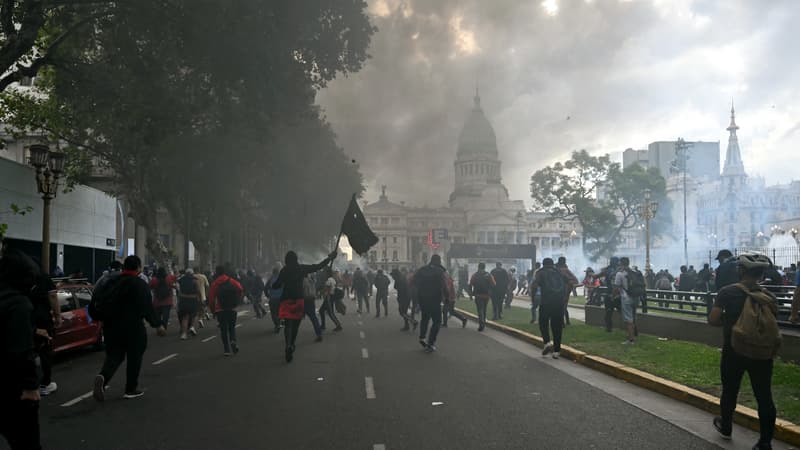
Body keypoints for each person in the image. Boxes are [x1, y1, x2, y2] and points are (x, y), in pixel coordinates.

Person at [708, 253, 778, 450]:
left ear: (740, 271)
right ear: (762, 274)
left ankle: (727, 426)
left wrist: (730, 323)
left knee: (730, 390)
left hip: (734, 351)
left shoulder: (727, 292)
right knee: (764, 396)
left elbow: (712, 320)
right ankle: (765, 442)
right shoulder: (769, 297)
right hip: (762, 354)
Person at [91, 255, 166, 401]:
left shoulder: (110, 282)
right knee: (134, 357)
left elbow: (96, 301)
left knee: (114, 355)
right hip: (133, 327)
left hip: (111, 327)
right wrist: (157, 325)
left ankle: (103, 377)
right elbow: (147, 308)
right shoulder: (139, 284)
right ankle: (130, 389)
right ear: (138, 268)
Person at [0, 248, 43, 449]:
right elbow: (21, 350)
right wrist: (30, 386)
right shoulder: (18, 304)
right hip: (11, 386)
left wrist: (32, 331)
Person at [270, 251, 336, 362]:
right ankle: (292, 344)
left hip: (286, 300)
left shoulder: (284, 270)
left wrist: (274, 285)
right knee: (295, 325)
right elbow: (317, 266)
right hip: (298, 300)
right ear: (296, 259)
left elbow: (277, 284)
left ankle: (287, 345)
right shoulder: (301, 268)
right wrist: (329, 258)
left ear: (286, 259)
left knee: (287, 325)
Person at [529, 258, 568, 359]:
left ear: (543, 264)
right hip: (559, 303)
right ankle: (557, 351)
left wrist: (533, 299)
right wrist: (565, 297)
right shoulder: (559, 272)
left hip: (546, 302)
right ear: (552, 264)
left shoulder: (540, 272)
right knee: (557, 327)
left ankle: (547, 342)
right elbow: (569, 283)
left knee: (543, 323)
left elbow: (534, 285)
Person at [30, 269, 60, 397]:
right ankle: (44, 384)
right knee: (45, 351)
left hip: (24, 318)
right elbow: (53, 296)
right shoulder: (44, 278)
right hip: (42, 319)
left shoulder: (17, 279)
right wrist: (58, 316)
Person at [413, 255, 449, 352]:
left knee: (425, 318)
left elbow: (413, 282)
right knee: (437, 322)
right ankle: (431, 343)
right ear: (439, 262)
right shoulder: (440, 271)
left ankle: (422, 337)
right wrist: (447, 297)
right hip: (435, 299)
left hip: (423, 299)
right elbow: (445, 286)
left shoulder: (422, 270)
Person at [208, 265, 244, 356]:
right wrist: (237, 300)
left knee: (223, 329)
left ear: (216, 272)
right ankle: (233, 341)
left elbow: (211, 299)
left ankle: (226, 350)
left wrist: (213, 311)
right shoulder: (231, 280)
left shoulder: (215, 283)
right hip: (232, 308)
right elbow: (240, 289)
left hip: (220, 309)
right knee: (232, 328)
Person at [613, 257, 637, 344]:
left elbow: (616, 287)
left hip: (626, 298)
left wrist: (613, 296)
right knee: (633, 317)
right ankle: (632, 336)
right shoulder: (634, 272)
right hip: (635, 298)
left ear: (621, 264)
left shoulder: (620, 274)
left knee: (629, 320)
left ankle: (631, 340)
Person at [468, 262, 495, 331]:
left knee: (480, 310)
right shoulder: (489, 275)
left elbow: (470, 284)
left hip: (478, 295)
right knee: (484, 310)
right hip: (486, 295)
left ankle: (481, 324)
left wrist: (471, 295)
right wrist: (490, 291)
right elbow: (494, 284)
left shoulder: (475, 275)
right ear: (484, 267)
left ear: (478, 267)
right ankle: (483, 323)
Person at [176, 268, 201, 340]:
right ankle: (192, 327)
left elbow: (178, 289)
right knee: (193, 314)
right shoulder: (195, 280)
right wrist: (200, 298)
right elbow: (198, 290)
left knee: (185, 317)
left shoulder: (180, 280)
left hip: (183, 300)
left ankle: (184, 334)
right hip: (193, 299)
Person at [556, 257, 579, 325]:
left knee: (562, 307)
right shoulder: (563, 270)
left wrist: (567, 281)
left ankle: (563, 322)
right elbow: (575, 280)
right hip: (561, 291)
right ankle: (565, 322)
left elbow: (575, 280)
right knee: (563, 307)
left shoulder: (562, 270)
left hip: (562, 291)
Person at [265, 267, 283, 334]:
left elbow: (265, 288)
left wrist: (268, 295)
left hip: (272, 298)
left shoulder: (270, 279)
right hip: (281, 298)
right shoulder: (282, 279)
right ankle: (279, 323)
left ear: (273, 272)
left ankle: (277, 324)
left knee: (273, 313)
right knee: (279, 312)